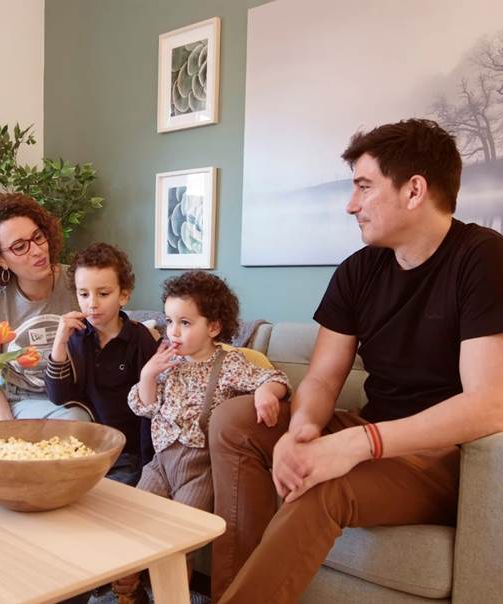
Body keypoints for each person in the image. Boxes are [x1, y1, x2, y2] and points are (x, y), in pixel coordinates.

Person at [211, 118, 503, 603]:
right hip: (374, 433)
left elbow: (487, 404)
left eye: (364, 187)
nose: (351, 205)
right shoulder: (360, 270)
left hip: (441, 457)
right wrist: (302, 428)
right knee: (234, 421)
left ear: (414, 190)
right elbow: (324, 378)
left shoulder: (484, 259)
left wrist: (358, 444)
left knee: (325, 485)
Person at [115, 271, 290, 604]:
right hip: (160, 463)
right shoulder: (167, 361)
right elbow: (142, 406)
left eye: (184, 322)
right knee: (131, 523)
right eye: (169, 321)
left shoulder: (230, 363)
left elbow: (274, 376)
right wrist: (148, 374)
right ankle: (126, 592)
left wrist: (268, 392)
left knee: (178, 540)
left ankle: (174, 597)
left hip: (199, 468)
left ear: (213, 327)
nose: (173, 331)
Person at [0, 192, 90, 426]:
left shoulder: (79, 283)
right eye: (19, 247)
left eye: (38, 237)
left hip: (75, 399)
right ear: (0, 260)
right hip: (20, 403)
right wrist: (9, 429)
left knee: (76, 419)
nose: (37, 251)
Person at [45, 242, 158, 486]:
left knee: (112, 501)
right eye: (83, 294)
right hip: (85, 447)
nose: (92, 303)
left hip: (127, 453)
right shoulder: (75, 336)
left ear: (124, 295)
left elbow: (151, 409)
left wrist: (149, 463)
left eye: (103, 294)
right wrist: (59, 342)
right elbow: (58, 396)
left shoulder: (140, 339)